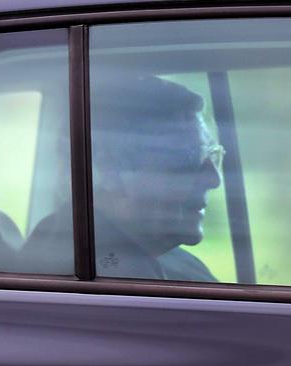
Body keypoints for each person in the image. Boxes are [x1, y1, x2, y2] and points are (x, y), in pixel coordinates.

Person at [18, 75, 223, 281]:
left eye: (213, 156)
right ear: (109, 173)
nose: (214, 180)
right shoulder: (80, 277)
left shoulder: (169, 260)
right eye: (188, 158)